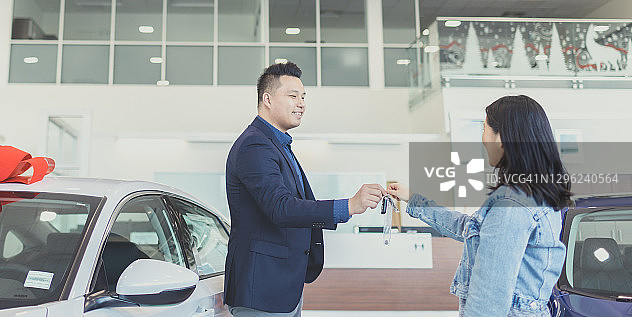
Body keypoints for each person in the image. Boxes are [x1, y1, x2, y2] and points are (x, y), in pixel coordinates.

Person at [224, 61, 386, 317]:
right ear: (267, 99)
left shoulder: (277, 145)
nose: (301, 103)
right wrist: (350, 206)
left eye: (303, 97)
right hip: (262, 290)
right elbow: (281, 208)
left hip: (283, 287)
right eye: (292, 96)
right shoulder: (254, 146)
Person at [388, 95, 572, 317]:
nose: (483, 138)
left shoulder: (511, 205)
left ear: (502, 138)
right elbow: (470, 227)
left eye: (484, 129)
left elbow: (488, 300)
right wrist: (414, 199)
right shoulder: (537, 193)